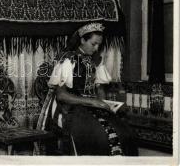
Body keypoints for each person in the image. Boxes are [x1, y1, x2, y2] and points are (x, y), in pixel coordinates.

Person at [37, 22, 138, 156]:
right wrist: (93, 102)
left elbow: (100, 88)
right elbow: (61, 95)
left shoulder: (96, 60)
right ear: (83, 40)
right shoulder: (68, 60)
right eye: (93, 44)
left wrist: (105, 104)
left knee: (125, 132)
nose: (96, 48)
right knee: (100, 135)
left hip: (92, 105)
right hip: (71, 106)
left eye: (99, 45)